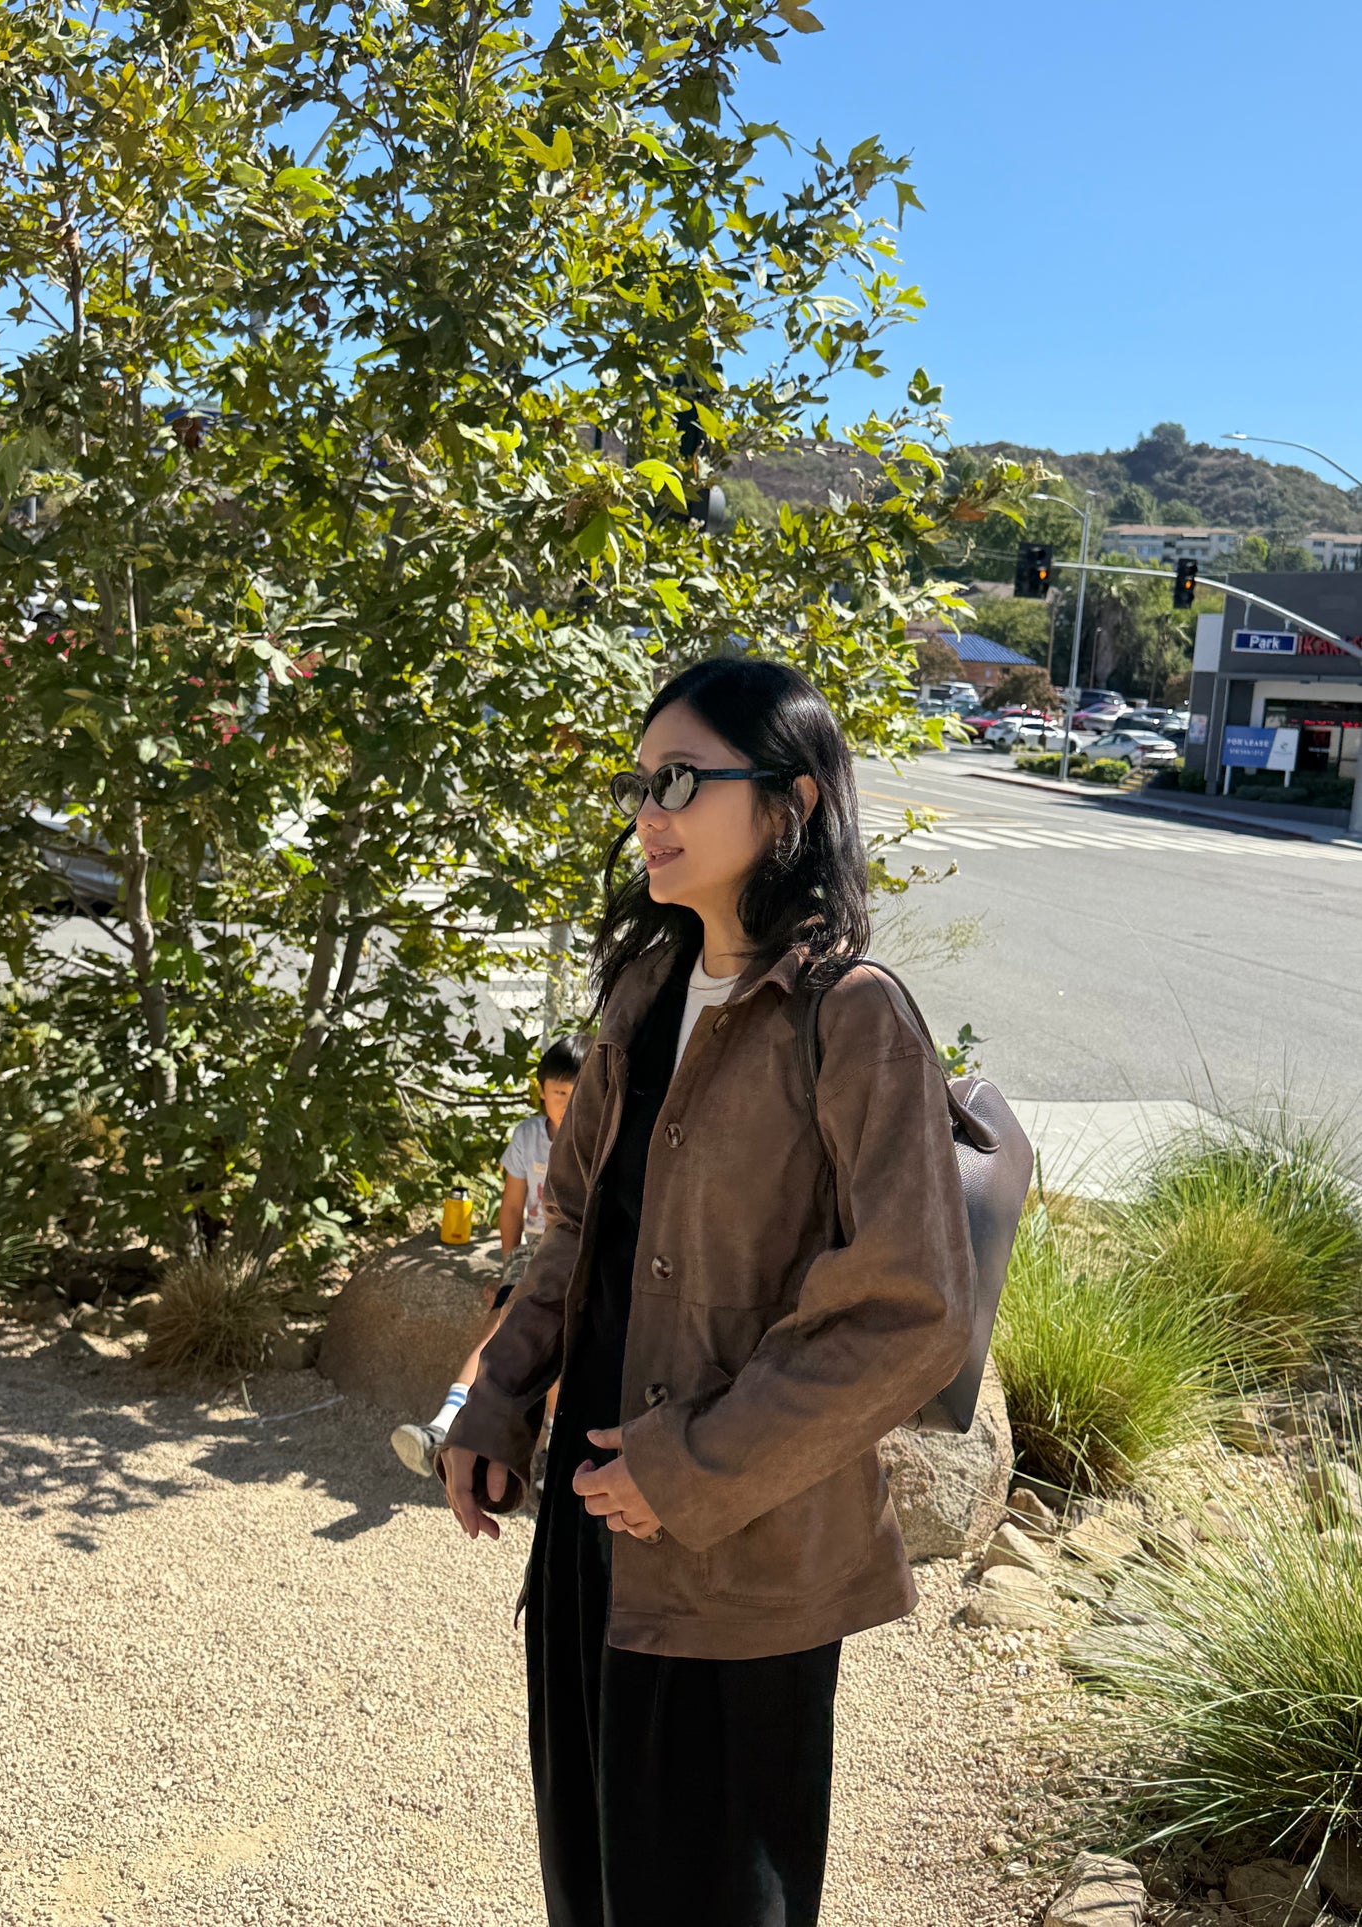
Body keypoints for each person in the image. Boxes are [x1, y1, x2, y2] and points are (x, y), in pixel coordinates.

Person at [438, 658, 976, 1927]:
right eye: (639, 783)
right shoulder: (645, 988)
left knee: (717, 1896)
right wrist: (497, 1398)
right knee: (598, 1879)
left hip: (740, 1551)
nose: (648, 811)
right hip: (591, 1517)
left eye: (680, 778)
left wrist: (688, 1466)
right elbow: (573, 1224)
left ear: (785, 806)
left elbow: (912, 1307)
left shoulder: (851, 1016)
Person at [389, 1032, 590, 1479]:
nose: (569, 1103)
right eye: (559, 1093)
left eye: (579, 1094)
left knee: (560, 1333)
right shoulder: (528, 1136)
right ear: (541, 1091)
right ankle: (442, 1426)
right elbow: (513, 1206)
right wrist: (508, 1267)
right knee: (498, 1327)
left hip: (576, 1250)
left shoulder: (598, 1138)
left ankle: (552, 1448)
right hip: (534, 1249)